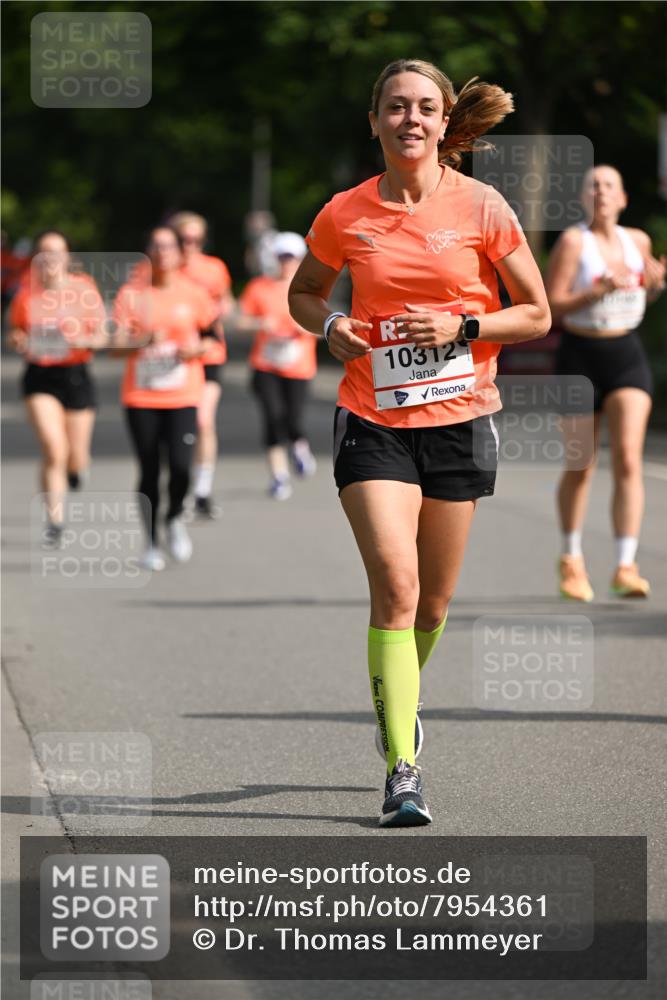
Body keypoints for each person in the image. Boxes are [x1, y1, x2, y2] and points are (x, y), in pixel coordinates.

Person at [288, 58, 550, 827]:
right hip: (373, 419)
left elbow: (532, 313)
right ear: (374, 121)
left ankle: (399, 693)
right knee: (396, 588)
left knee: (432, 603)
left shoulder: (482, 206)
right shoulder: (345, 212)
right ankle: (402, 764)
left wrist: (461, 326)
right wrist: (332, 324)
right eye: (395, 107)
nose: (409, 119)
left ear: (443, 125)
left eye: (424, 108)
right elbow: (304, 292)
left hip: (461, 419)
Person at [546, 165, 666, 601]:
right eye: (592, 185)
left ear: (623, 198)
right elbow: (551, 305)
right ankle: (571, 560)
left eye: (608, 185)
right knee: (582, 466)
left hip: (626, 355)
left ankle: (625, 566)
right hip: (579, 355)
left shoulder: (638, 241)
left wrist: (654, 286)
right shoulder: (574, 242)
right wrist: (594, 292)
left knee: (630, 461)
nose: (600, 191)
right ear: (583, 198)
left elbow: (644, 293)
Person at [112, 226, 218, 570]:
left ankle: (174, 516)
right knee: (148, 469)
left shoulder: (194, 293)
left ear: (178, 252)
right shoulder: (131, 294)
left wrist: (196, 348)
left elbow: (212, 338)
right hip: (141, 396)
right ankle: (151, 543)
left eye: (168, 246)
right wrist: (140, 341)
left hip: (184, 394)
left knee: (181, 467)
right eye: (155, 246)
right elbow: (113, 348)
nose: (162, 253)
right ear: (148, 251)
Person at [7, 230, 106, 545]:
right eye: (44, 252)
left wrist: (84, 340)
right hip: (40, 375)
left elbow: (102, 335)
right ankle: (55, 521)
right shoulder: (26, 293)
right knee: (54, 448)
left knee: (75, 456)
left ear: (68, 258)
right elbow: (14, 332)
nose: (50, 259)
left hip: (75, 374)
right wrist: (18, 340)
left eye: (56, 252)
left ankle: (77, 470)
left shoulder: (84, 289)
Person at [237, 232, 318, 500]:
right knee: (272, 417)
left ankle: (298, 446)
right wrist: (261, 324)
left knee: (292, 419)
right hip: (266, 365)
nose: (286, 262)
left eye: (291, 257)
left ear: (299, 259)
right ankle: (279, 477)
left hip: (299, 366)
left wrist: (305, 327)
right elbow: (241, 322)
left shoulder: (310, 289)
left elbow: (326, 327)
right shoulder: (259, 287)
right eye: (282, 257)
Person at [166, 211, 234, 519]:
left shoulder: (214, 268)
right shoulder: (160, 271)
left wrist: (221, 309)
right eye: (183, 239)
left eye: (196, 239)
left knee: (203, 420)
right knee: (176, 429)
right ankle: (179, 487)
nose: (190, 245)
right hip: (172, 361)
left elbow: (227, 300)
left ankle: (202, 491)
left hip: (208, 355)